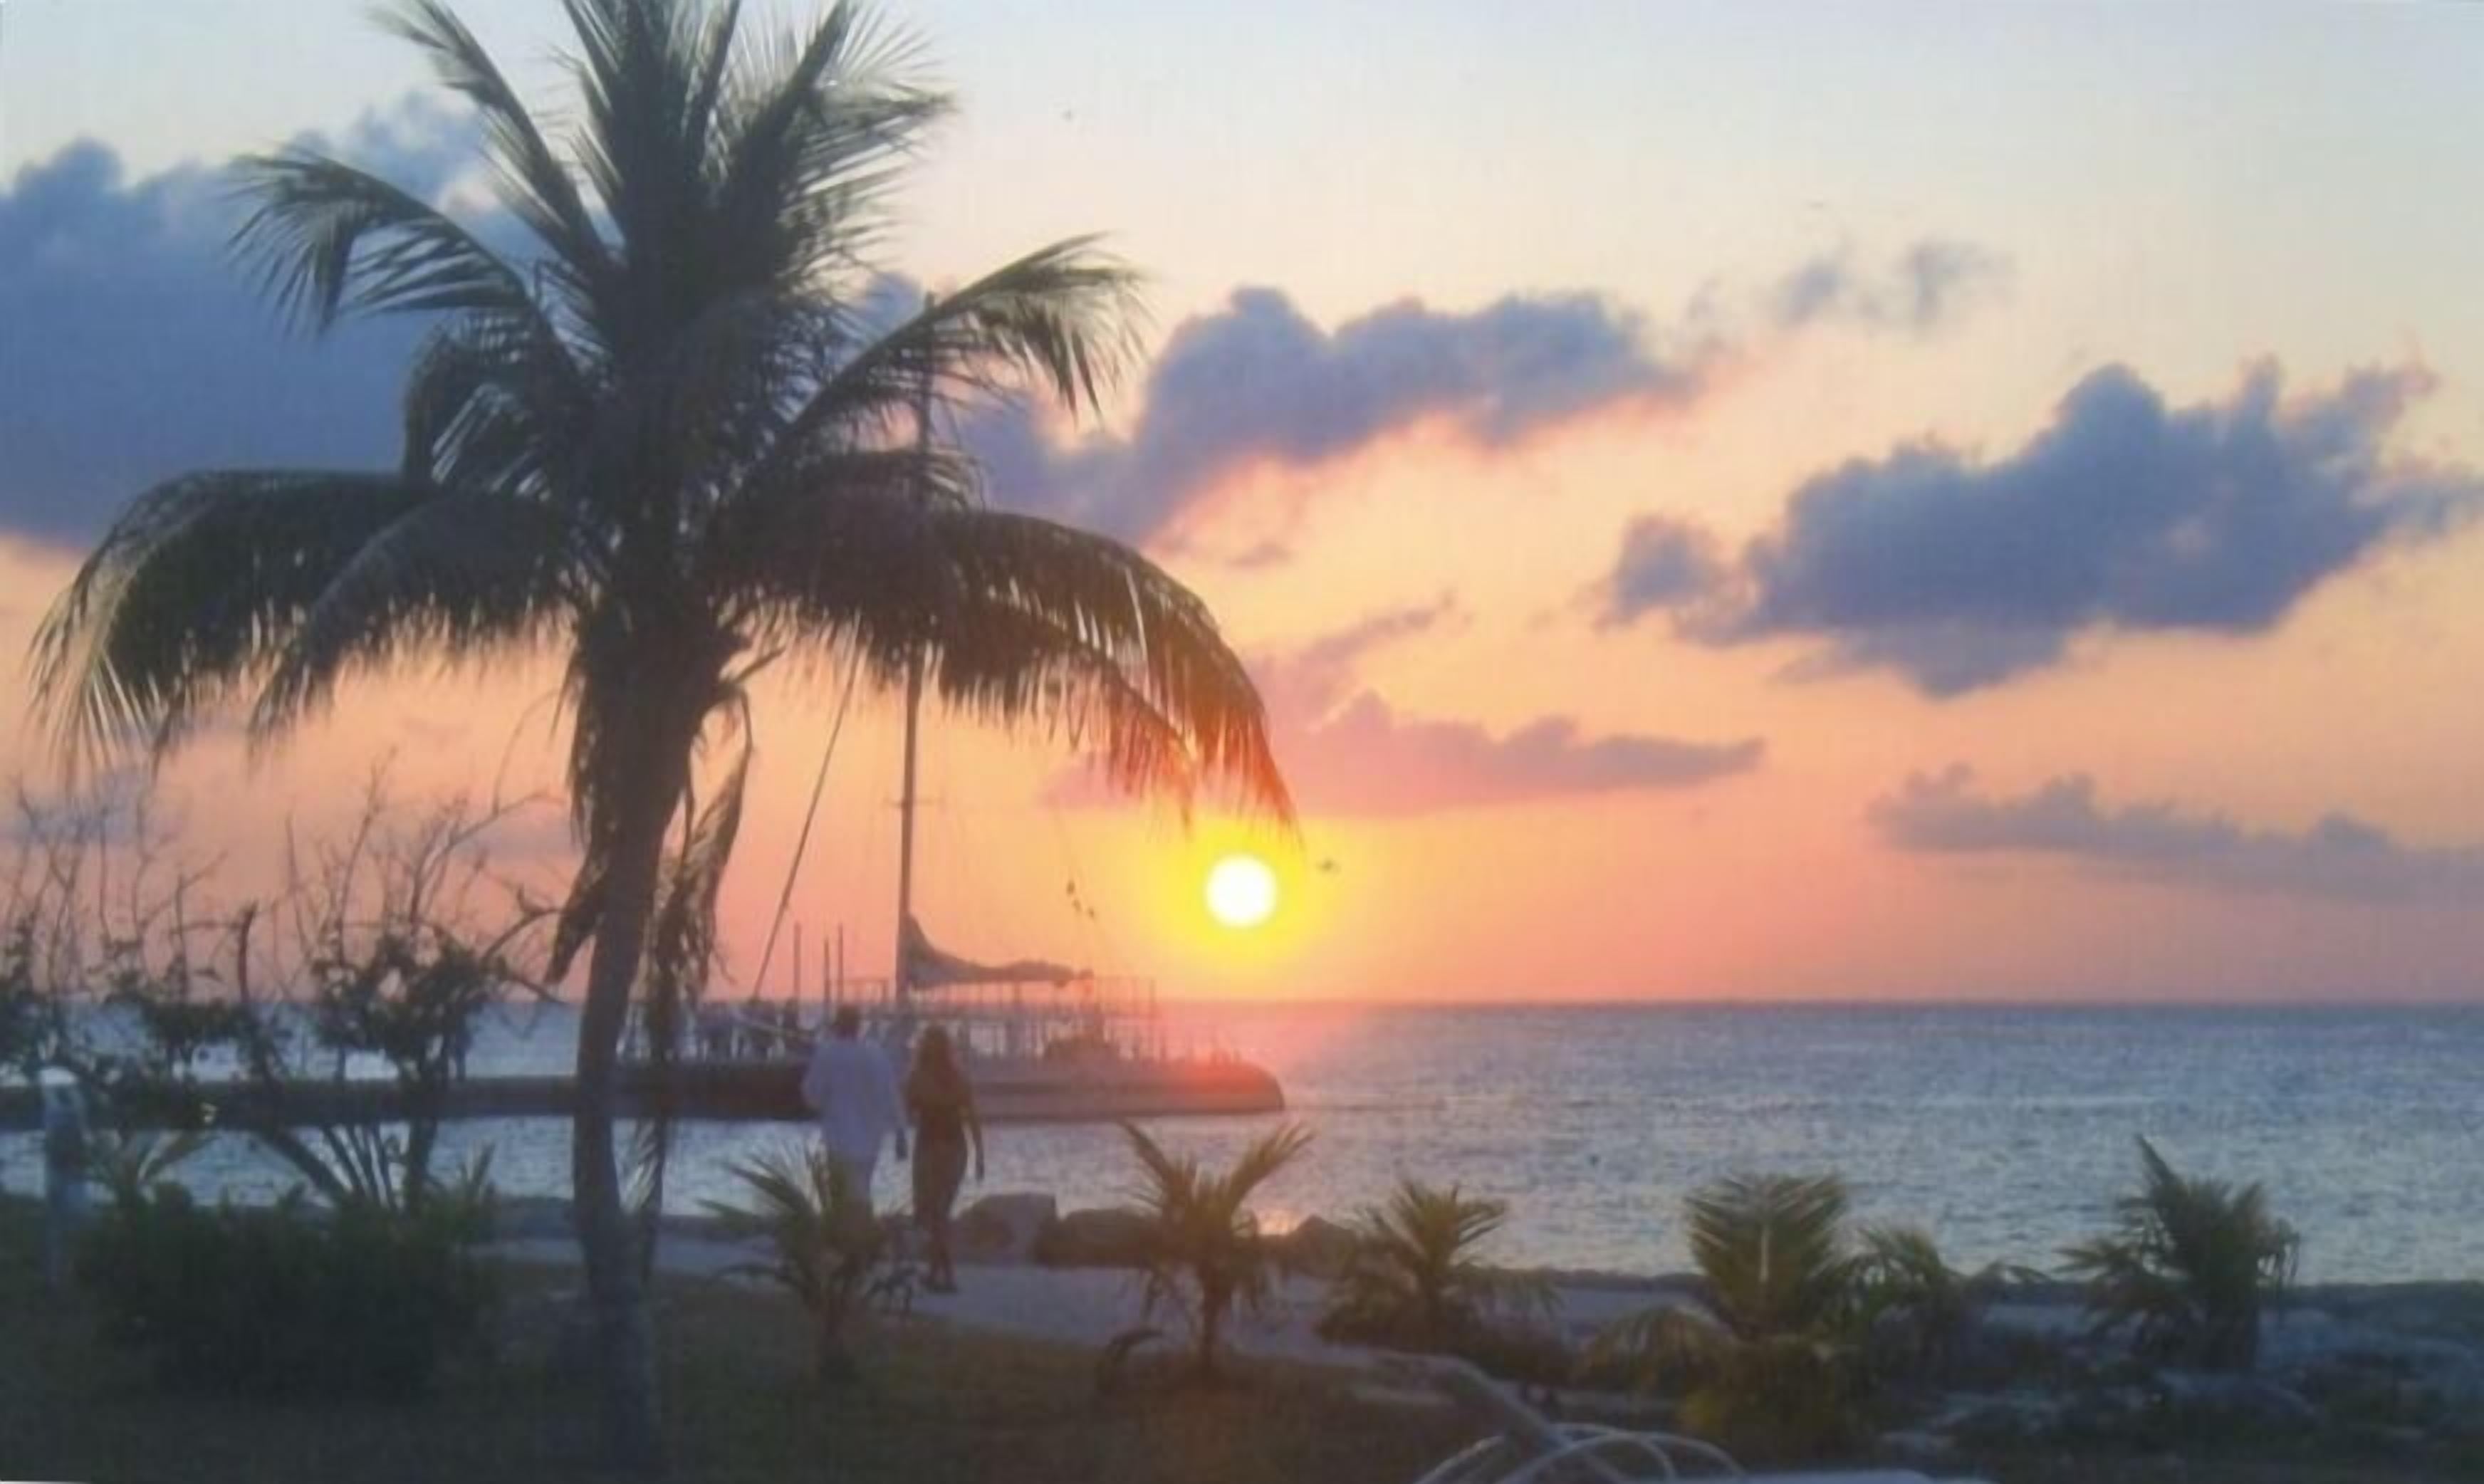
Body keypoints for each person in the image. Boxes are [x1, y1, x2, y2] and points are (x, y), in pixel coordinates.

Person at [799, 1006, 907, 1213]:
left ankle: (849, 1238)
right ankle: (863, 1234)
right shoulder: (876, 1054)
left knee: (841, 1197)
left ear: (838, 1025)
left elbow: (811, 1095)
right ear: (859, 1026)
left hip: (838, 1138)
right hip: (871, 1140)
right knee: (863, 1191)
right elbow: (892, 1093)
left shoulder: (827, 1053)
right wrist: (900, 1133)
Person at [904, 1025, 983, 1294]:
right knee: (941, 1212)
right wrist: (980, 1156)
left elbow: (906, 1110)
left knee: (931, 1213)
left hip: (928, 1148)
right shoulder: (959, 1078)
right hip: (956, 1149)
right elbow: (972, 1119)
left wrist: (899, 1138)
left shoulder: (918, 1077)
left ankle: (946, 1276)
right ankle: (936, 1274)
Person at [39, 1069, 91, 1290]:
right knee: (69, 1225)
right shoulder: (68, 1115)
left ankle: (61, 1275)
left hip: (64, 1175)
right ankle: (62, 1275)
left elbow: (49, 1091)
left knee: (63, 1227)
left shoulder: (55, 1115)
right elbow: (64, 1096)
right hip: (67, 1175)